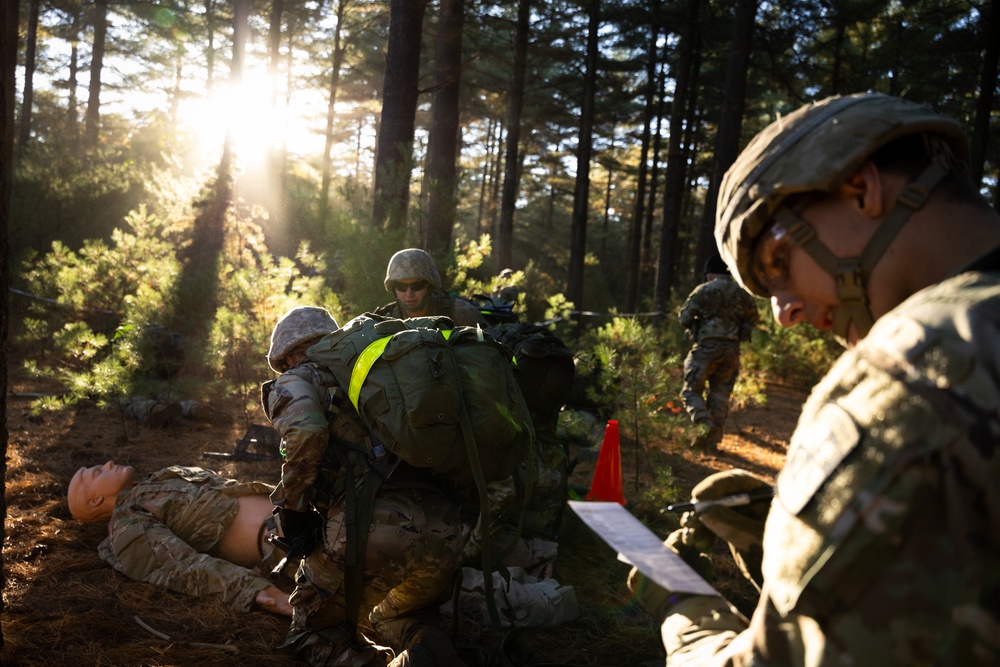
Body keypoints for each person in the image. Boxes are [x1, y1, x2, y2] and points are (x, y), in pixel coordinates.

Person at [627, 92, 1000, 665]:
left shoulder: (915, 371)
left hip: (709, 350)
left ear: (862, 190)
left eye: (777, 263)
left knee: (697, 392)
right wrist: (790, 537)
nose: (783, 311)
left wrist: (684, 605)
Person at [263, 305, 469, 667]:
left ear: (289, 356)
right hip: (448, 531)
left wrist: (293, 508)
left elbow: (306, 431)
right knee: (396, 614)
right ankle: (431, 650)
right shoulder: (379, 374)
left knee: (312, 634)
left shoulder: (300, 376)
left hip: (373, 533)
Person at [67, 461, 292, 616]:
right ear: (94, 500)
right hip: (289, 542)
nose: (108, 463)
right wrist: (251, 589)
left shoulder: (156, 479)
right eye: (97, 472)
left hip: (298, 504)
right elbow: (180, 566)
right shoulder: (127, 524)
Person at [678, 253, 759, 450]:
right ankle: (710, 443)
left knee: (690, 391)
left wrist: (698, 326)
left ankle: (704, 424)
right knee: (719, 396)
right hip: (732, 351)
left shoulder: (704, 290)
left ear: (710, 273)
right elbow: (753, 318)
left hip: (707, 347)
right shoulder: (743, 294)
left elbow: (685, 317)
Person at [374, 248, 487, 326]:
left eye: (417, 286)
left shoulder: (460, 313)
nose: (409, 294)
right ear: (393, 288)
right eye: (401, 287)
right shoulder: (384, 319)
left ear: (430, 286)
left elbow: (490, 353)